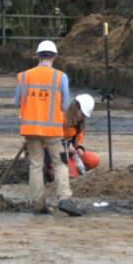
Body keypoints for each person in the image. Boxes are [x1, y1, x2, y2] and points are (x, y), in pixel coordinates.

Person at [15, 40, 83, 216]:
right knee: (60, 163)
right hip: (53, 130)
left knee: (36, 164)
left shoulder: (23, 76)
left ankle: (38, 204)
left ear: (38, 56)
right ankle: (64, 199)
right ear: (54, 57)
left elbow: (17, 103)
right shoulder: (61, 77)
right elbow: (66, 104)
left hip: (30, 130)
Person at [44, 94, 100, 179]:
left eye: (85, 116)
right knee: (72, 174)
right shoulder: (60, 118)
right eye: (82, 114)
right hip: (55, 153)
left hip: (70, 154)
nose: (83, 118)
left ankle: (71, 166)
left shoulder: (79, 125)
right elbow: (51, 140)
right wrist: (66, 145)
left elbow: (78, 140)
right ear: (75, 108)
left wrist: (79, 148)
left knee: (94, 160)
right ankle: (54, 170)